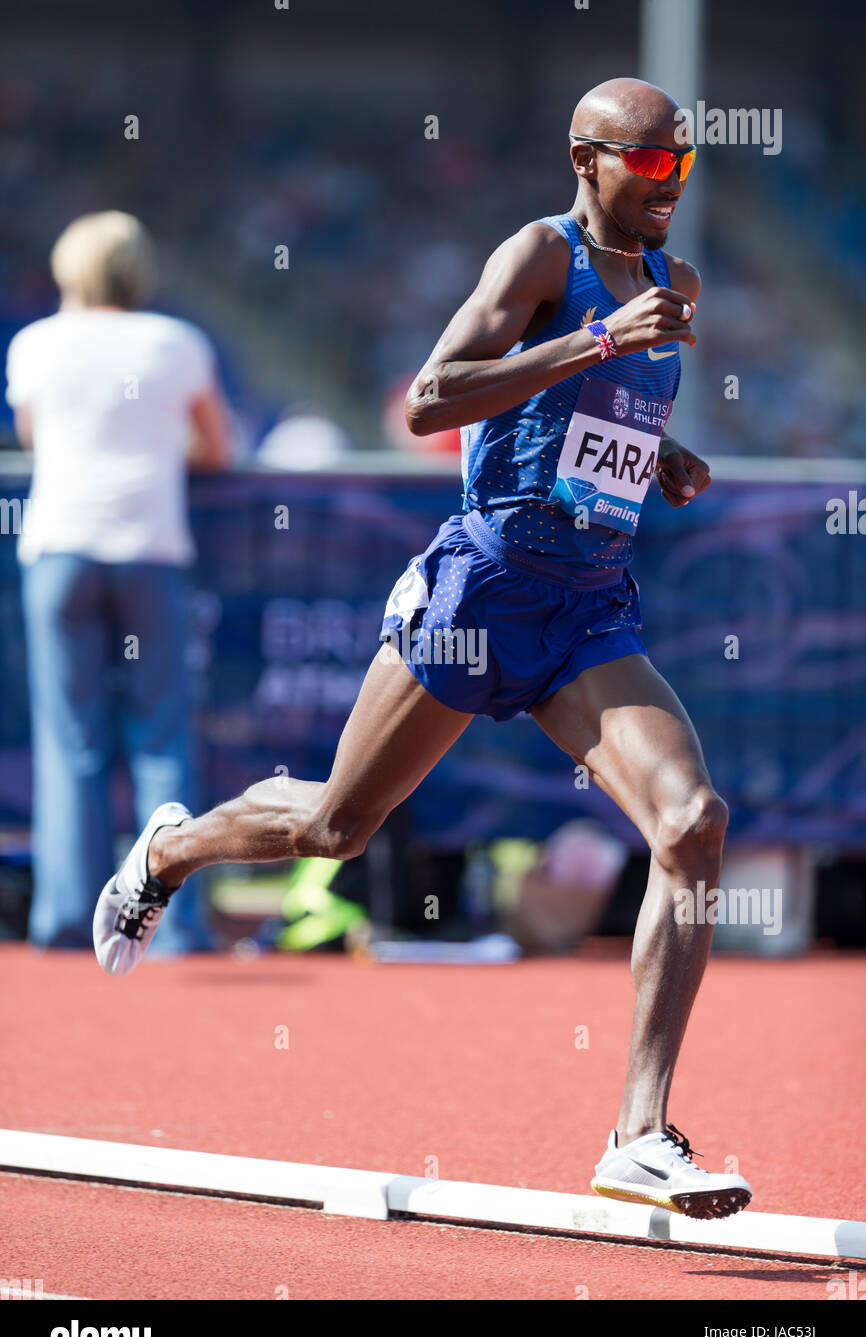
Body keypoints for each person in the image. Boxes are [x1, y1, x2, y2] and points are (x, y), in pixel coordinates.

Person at [93, 81, 752, 1218]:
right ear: (583, 161)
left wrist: (664, 454)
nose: (666, 189)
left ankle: (637, 1133)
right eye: (645, 168)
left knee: (690, 823)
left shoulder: (676, 287)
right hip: (481, 584)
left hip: (587, 607)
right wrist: (595, 333)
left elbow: (594, 413)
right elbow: (432, 399)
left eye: (679, 168)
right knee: (337, 828)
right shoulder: (539, 259)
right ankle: (170, 852)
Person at [7, 210, 230, 953]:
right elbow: (215, 448)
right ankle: (173, 923)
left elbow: (36, 436)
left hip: (61, 550)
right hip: (151, 550)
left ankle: (65, 917)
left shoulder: (35, 343)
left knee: (70, 739)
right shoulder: (176, 342)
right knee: (163, 737)